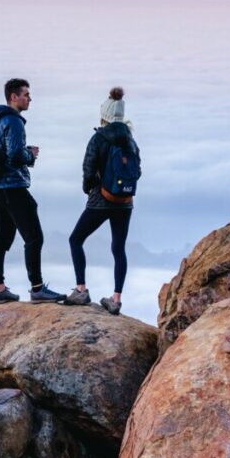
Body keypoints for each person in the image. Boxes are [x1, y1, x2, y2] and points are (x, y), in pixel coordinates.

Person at [0, 78, 66, 304]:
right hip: (13, 186)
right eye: (26, 94)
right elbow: (14, 155)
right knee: (34, 237)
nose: (30, 98)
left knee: (0, 239)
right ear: (13, 97)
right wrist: (30, 154)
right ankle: (37, 288)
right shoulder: (13, 121)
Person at [66, 86, 141, 314]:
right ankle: (116, 300)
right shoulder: (130, 139)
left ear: (105, 114)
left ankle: (81, 290)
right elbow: (138, 171)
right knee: (118, 248)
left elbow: (88, 169)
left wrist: (89, 189)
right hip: (125, 201)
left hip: (101, 199)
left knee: (76, 239)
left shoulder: (98, 138)